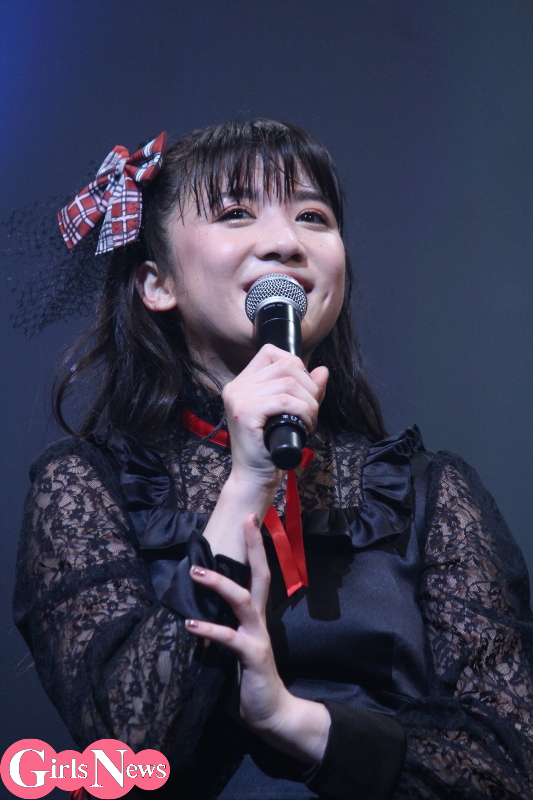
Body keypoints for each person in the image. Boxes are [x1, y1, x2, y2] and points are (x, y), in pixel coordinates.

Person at [12, 119, 533, 799]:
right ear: (156, 284)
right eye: (236, 213)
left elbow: (509, 765)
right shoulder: (87, 486)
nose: (286, 242)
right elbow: (127, 746)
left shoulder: (428, 493)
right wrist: (245, 487)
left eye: (312, 216)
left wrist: (295, 722)